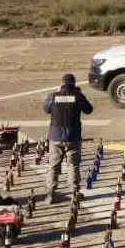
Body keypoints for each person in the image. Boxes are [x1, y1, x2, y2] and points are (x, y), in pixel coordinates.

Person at [43, 74, 94, 203]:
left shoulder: (53, 96)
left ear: (62, 84)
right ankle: (74, 192)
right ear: (74, 84)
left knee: (53, 165)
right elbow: (89, 109)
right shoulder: (77, 96)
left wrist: (57, 92)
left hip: (55, 136)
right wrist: (80, 95)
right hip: (73, 136)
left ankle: (50, 194)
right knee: (73, 164)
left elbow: (46, 109)